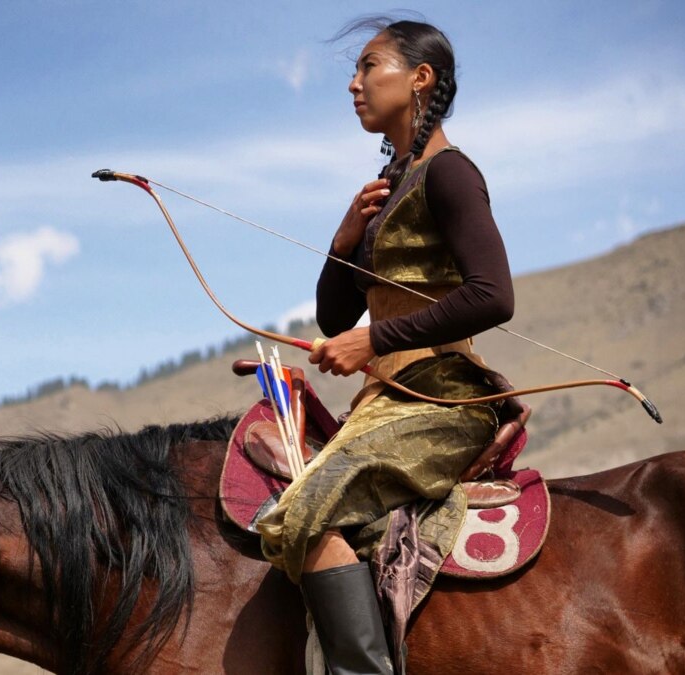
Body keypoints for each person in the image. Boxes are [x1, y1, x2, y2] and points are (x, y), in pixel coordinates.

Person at [255, 17, 515, 675]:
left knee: (295, 516)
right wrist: (342, 243)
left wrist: (375, 338)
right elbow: (333, 313)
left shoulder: (450, 174)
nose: (354, 84)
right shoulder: (388, 186)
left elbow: (493, 295)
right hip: (383, 402)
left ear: (420, 78)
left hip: (445, 398)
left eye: (370, 66)